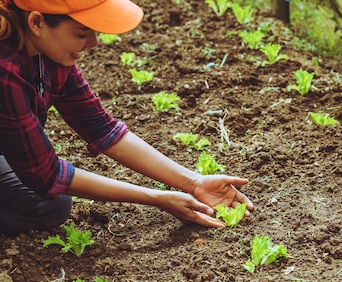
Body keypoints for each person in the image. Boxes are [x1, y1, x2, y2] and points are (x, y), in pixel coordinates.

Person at [0, 0, 253, 235]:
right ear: (36, 22)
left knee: (49, 204)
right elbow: (46, 174)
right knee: (44, 203)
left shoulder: (47, 54)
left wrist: (194, 182)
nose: (93, 42)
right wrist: (156, 198)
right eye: (81, 33)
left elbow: (102, 129)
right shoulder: (6, 71)